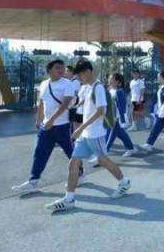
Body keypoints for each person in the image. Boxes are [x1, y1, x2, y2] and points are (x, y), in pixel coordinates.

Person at [46, 60, 130, 212]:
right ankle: (69, 199)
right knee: (73, 163)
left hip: (95, 133)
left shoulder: (98, 88)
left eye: (80, 75)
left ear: (88, 72)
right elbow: (81, 103)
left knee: (103, 160)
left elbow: (100, 111)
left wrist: (80, 128)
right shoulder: (87, 87)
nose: (79, 78)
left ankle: (124, 182)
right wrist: (74, 104)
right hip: (85, 134)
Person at [13, 59, 81, 195]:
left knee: (71, 153)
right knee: (40, 153)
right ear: (49, 70)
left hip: (62, 126)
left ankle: (80, 174)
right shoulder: (44, 84)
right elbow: (41, 103)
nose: (61, 70)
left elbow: (65, 105)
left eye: (62, 68)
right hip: (46, 127)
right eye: (57, 68)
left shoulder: (67, 84)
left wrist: (51, 120)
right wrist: (38, 120)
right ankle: (33, 182)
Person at [105, 73, 141, 156]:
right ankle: (131, 148)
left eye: (111, 78)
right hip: (109, 117)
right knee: (120, 133)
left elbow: (122, 106)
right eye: (109, 78)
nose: (109, 80)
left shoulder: (119, 91)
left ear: (117, 81)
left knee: (109, 135)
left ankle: (102, 154)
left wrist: (122, 119)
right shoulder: (109, 90)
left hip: (115, 118)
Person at [66, 65, 83, 131]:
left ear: (71, 72)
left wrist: (71, 106)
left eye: (67, 71)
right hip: (73, 107)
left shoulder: (75, 82)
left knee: (73, 127)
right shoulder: (71, 81)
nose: (65, 73)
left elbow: (75, 96)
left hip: (74, 107)